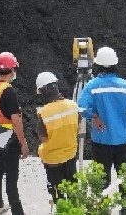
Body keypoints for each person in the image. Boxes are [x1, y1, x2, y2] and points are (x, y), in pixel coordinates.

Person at [76, 46, 126, 186]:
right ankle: (125, 201)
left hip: (101, 139)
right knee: (124, 179)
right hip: (123, 139)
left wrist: (94, 116)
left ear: (97, 65)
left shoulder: (92, 85)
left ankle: (102, 200)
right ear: (115, 64)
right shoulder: (124, 85)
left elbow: (81, 108)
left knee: (102, 181)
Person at [0, 52, 30, 215]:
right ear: (12, 70)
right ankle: (17, 212)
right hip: (9, 137)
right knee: (11, 177)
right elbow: (16, 121)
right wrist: (23, 144)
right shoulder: (9, 91)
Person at [35, 71, 79, 202]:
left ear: (43, 91)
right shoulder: (73, 105)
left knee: (58, 195)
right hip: (71, 154)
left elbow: (43, 138)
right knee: (73, 190)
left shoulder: (43, 112)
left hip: (52, 160)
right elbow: (77, 128)